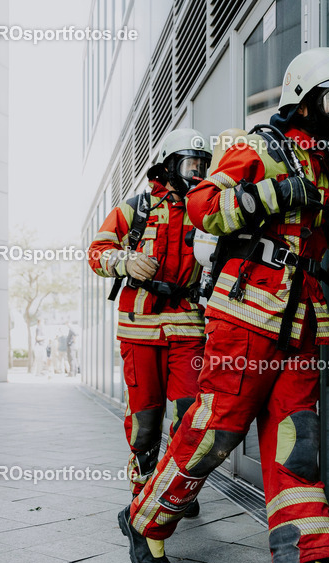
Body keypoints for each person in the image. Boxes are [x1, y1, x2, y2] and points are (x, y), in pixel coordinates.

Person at [119, 47, 329, 563]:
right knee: (215, 431)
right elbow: (204, 208)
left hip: (302, 320)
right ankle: (147, 520)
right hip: (247, 315)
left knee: (297, 445)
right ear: (304, 101)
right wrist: (275, 193)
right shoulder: (256, 144)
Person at [88, 128, 212, 512]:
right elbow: (96, 252)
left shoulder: (206, 211)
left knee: (190, 412)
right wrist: (125, 261)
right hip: (139, 331)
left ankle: (174, 488)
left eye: (203, 165)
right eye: (191, 164)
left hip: (189, 328)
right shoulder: (135, 208)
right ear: (170, 165)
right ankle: (143, 495)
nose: (198, 173)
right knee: (144, 420)